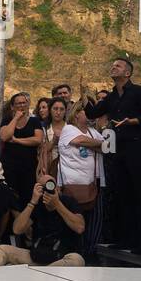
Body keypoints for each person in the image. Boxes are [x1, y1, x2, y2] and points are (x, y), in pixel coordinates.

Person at [85, 59, 141, 254]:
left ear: (128, 73)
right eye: (112, 65)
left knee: (138, 195)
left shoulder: (139, 91)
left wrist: (132, 121)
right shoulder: (111, 96)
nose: (113, 67)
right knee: (121, 195)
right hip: (118, 150)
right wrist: (85, 96)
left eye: (118, 66)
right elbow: (92, 113)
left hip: (136, 147)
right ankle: (124, 239)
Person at [0, 173, 86, 268]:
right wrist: (33, 201)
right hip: (36, 257)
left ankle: (44, 275)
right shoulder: (37, 205)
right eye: (42, 188)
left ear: (57, 188)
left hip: (61, 258)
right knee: (1, 250)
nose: (47, 191)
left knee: (77, 260)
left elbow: (80, 227)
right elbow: (17, 229)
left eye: (51, 186)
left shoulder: (68, 202)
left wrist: (57, 204)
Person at [57, 101, 106, 255]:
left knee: (94, 220)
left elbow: (108, 149)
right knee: (75, 220)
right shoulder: (68, 129)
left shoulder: (93, 132)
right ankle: (73, 252)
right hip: (72, 185)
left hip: (93, 183)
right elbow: (80, 141)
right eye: (86, 111)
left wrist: (100, 144)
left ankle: (90, 252)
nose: (90, 114)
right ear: (77, 113)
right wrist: (100, 144)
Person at [0, 91, 44, 209]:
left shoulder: (34, 121)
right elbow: (5, 136)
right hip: (10, 168)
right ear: (12, 106)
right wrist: (16, 118)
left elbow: (38, 139)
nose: (22, 106)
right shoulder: (7, 121)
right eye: (18, 104)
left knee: (28, 198)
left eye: (24, 103)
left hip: (29, 167)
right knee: (11, 199)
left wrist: (17, 140)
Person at [39, 97, 69, 178]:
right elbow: (41, 151)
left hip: (69, 168)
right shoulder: (43, 128)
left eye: (62, 109)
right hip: (49, 167)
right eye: (55, 109)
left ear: (65, 111)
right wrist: (53, 141)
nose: (58, 112)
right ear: (50, 110)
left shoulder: (71, 128)